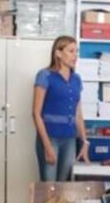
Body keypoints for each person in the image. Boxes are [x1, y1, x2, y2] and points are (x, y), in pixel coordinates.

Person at [32, 36, 89, 182]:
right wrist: (47, 146)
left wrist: (84, 141)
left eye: (77, 51)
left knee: (63, 185)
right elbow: (36, 113)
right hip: (50, 137)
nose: (75, 55)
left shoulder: (76, 79)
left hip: (70, 139)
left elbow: (78, 114)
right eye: (71, 51)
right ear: (58, 53)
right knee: (49, 185)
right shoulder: (45, 75)